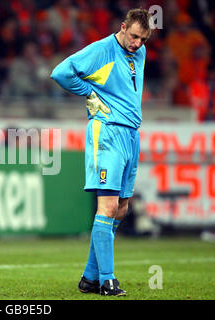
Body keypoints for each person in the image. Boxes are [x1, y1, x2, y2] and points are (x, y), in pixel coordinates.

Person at [51, 8, 152, 296]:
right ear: (122, 27)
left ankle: (89, 276)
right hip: (107, 133)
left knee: (121, 208)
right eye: (133, 36)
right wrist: (90, 93)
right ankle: (107, 280)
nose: (137, 43)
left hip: (131, 135)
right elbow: (60, 73)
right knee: (106, 207)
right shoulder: (102, 50)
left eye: (143, 39)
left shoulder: (139, 54)